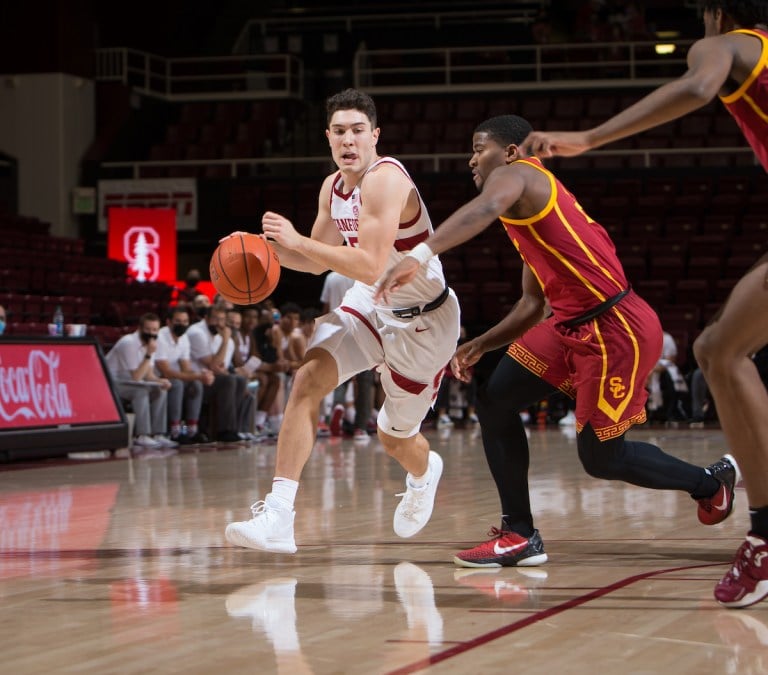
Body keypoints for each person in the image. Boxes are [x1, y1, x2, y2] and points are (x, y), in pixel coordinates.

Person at [375, 113, 738, 576]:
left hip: (614, 329)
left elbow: (483, 209)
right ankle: (519, 533)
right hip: (569, 324)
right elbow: (531, 305)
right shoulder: (523, 211)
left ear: (509, 152)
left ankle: (709, 482)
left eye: (478, 147)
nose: (470, 159)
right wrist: (482, 344)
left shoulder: (520, 176)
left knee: (602, 458)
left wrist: (420, 255)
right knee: (494, 398)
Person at [523, 0, 768, 609]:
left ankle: (764, 543)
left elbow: (699, 85)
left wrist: (589, 136)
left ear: (714, 10)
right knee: (719, 347)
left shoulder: (728, 44)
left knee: (722, 351)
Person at [224, 87, 460, 553]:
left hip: (423, 320)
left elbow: (373, 262)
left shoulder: (386, 178)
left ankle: (423, 471)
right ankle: (278, 515)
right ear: (327, 138)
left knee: (394, 438)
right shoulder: (333, 187)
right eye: (338, 132)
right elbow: (314, 262)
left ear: (374, 135)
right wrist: (257, 250)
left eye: (356, 131)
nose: (348, 140)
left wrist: (296, 241)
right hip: (372, 302)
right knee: (307, 378)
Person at [105, 312, 178, 451]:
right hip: (111, 383)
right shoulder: (129, 342)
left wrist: (161, 381)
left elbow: (149, 375)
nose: (151, 333)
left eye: (155, 330)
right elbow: (137, 377)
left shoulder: (151, 344)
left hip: (130, 382)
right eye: (148, 329)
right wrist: (149, 354)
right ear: (140, 329)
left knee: (160, 389)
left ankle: (158, 434)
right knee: (141, 391)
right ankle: (142, 435)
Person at [154, 304, 214, 444]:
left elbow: (186, 368)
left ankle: (192, 429)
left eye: (185, 322)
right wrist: (197, 375)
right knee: (177, 384)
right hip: (156, 377)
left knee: (196, 384)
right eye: (178, 321)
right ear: (168, 322)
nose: (182, 325)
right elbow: (166, 371)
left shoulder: (184, 338)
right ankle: (174, 430)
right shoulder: (161, 337)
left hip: (171, 376)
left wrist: (201, 374)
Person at [186, 303, 245, 443]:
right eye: (215, 319)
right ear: (206, 318)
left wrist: (220, 367)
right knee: (229, 380)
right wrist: (225, 341)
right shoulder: (197, 333)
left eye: (222, 320)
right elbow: (214, 365)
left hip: (210, 378)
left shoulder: (219, 334)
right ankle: (224, 431)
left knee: (240, 380)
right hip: (193, 379)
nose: (219, 323)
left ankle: (234, 428)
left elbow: (221, 366)